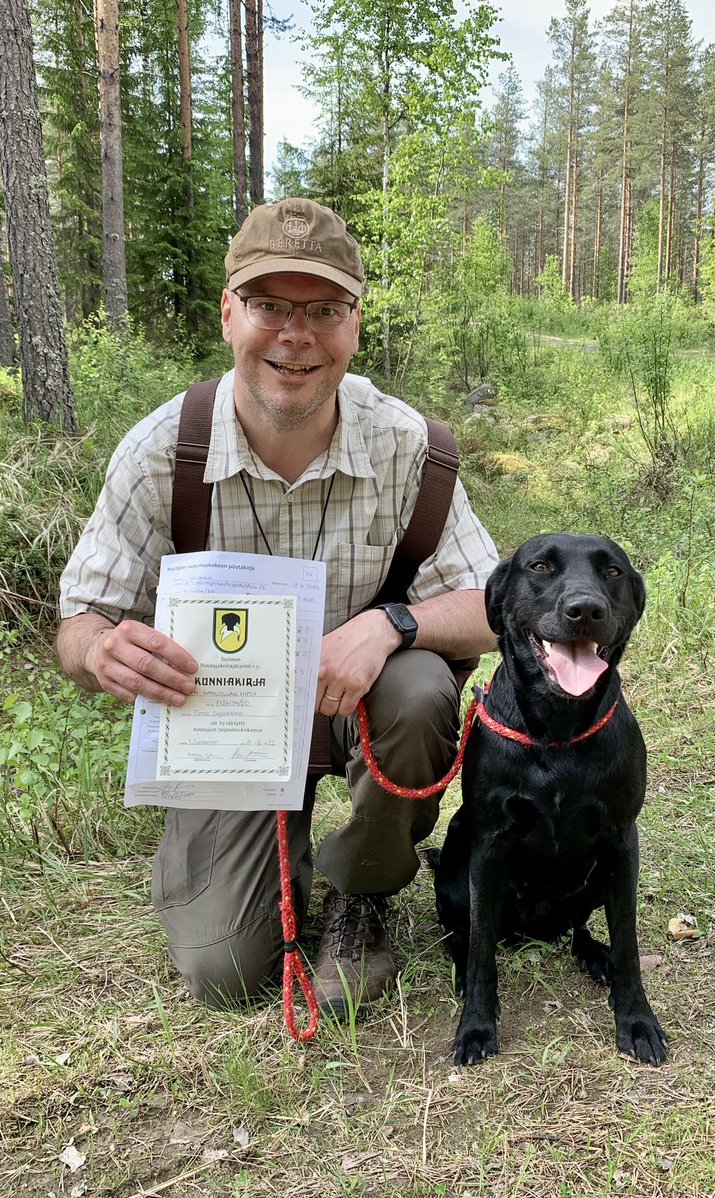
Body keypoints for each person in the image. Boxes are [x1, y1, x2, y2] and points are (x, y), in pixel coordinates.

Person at [57, 198, 498, 1017]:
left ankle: (361, 891)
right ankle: (267, 846)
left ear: (355, 326)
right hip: (223, 723)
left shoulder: (410, 447)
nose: (296, 335)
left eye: (324, 310)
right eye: (269, 306)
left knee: (420, 689)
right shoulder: (163, 451)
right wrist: (101, 651)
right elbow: (82, 618)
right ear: (229, 314)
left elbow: (492, 604)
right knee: (225, 973)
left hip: (356, 704)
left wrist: (391, 623)